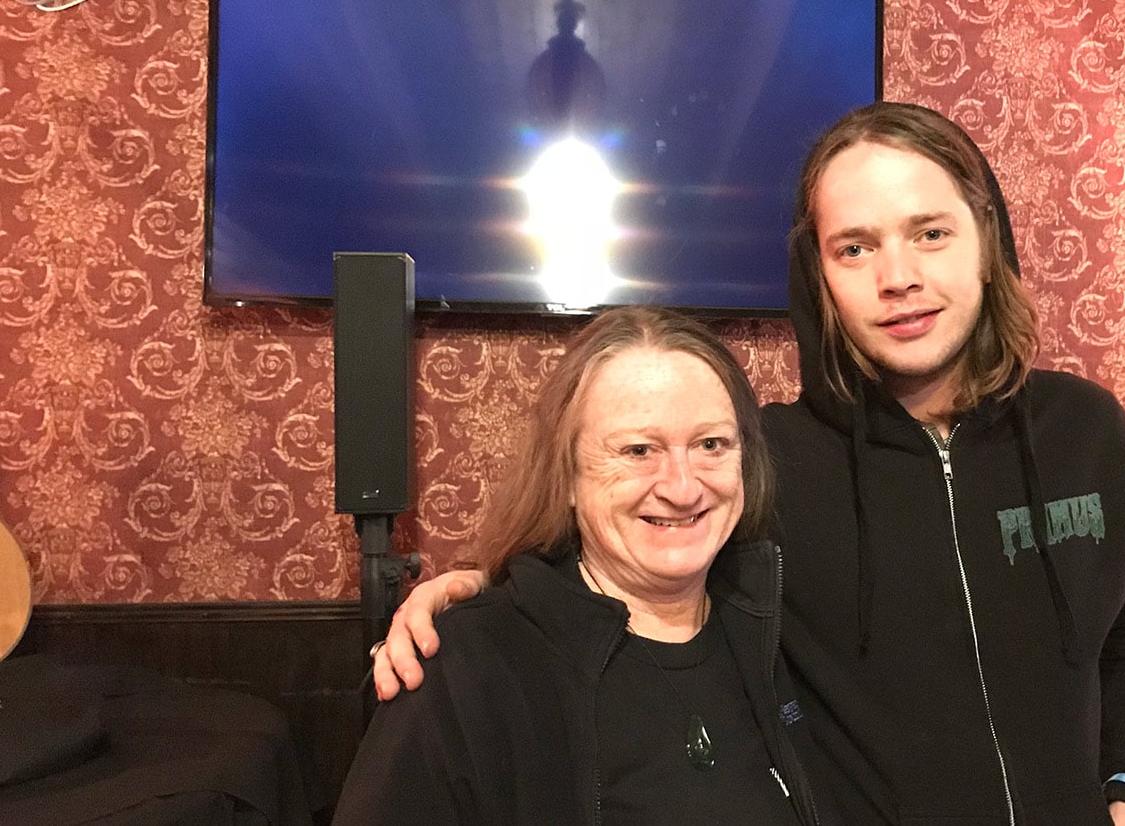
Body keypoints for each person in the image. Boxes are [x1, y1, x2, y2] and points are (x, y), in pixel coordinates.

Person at [372, 103, 1125, 825]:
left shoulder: (1088, 431)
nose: (899, 278)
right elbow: (629, 552)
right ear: (818, 274)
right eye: (855, 248)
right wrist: (474, 591)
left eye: (930, 233)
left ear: (984, 239)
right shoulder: (764, 462)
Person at [335, 306, 827, 824]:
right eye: (638, 450)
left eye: (710, 445)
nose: (683, 488)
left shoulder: (782, 628)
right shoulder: (464, 675)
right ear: (566, 477)